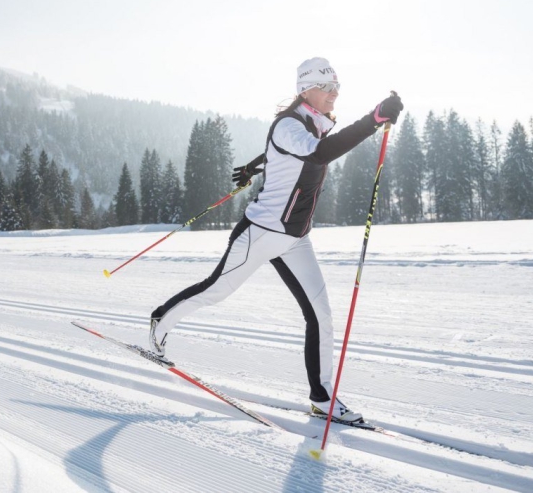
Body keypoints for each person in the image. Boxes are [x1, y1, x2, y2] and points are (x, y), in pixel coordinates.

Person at [148, 57, 403, 422]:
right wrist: (374, 119)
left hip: (296, 239)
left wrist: (258, 162)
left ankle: (322, 398)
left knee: (321, 316)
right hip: (262, 232)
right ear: (305, 90)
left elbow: (297, 153)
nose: (334, 94)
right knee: (216, 291)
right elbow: (315, 152)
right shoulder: (288, 124)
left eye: (337, 87)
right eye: (326, 88)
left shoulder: (314, 124)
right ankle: (160, 321)